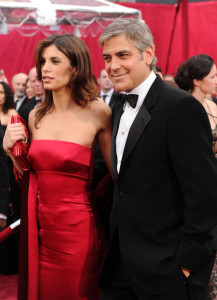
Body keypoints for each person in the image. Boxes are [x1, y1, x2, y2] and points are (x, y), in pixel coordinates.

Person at [98, 18, 217, 300]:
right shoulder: (116, 105)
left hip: (167, 272)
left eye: (122, 55)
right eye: (107, 57)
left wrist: (186, 265)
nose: (112, 65)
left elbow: (205, 195)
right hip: (120, 268)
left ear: (148, 54)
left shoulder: (180, 107)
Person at [3, 33, 112, 300]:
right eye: (42, 61)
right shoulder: (34, 115)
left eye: (54, 61)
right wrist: (10, 151)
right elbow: (27, 178)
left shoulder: (99, 112)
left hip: (79, 235)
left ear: (76, 68)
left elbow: (117, 178)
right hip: (38, 233)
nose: (45, 69)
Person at [174, 54, 217, 154]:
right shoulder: (183, 107)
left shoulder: (212, 105)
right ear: (197, 81)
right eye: (213, 77)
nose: (216, 81)